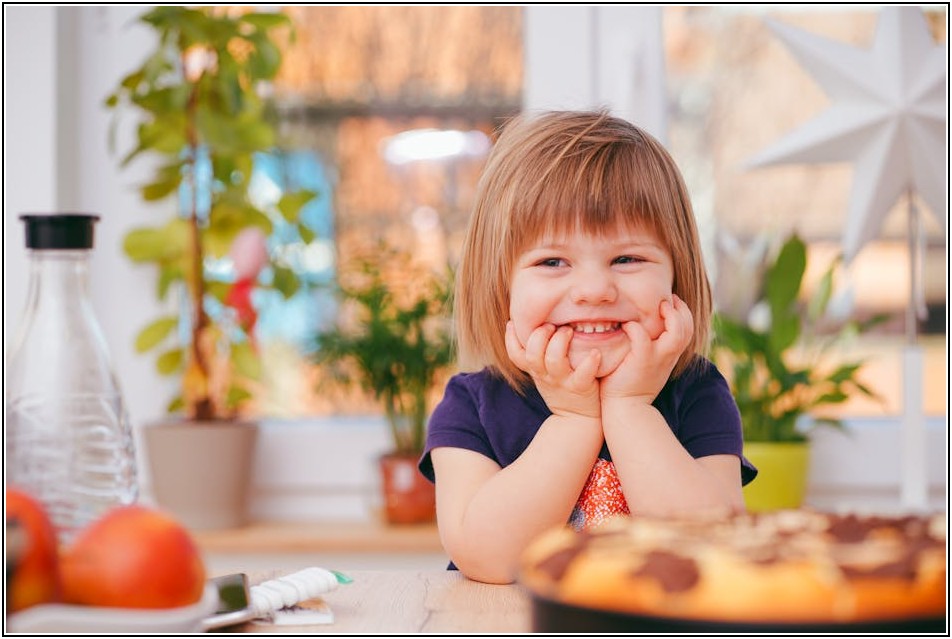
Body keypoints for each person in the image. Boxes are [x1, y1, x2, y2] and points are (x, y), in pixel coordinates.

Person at [418, 110, 757, 585]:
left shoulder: (697, 393)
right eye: (553, 261)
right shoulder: (471, 405)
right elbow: (487, 558)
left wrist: (631, 408)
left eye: (627, 258)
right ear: (501, 288)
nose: (594, 289)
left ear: (677, 277)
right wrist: (574, 419)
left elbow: (712, 552)